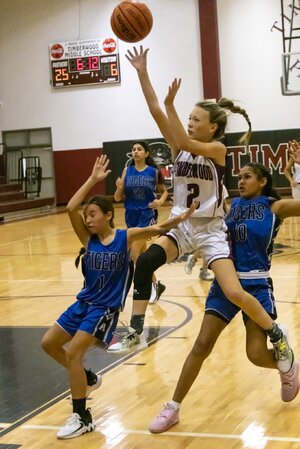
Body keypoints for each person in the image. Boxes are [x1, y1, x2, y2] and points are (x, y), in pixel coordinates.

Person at [107, 46, 292, 365]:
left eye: (196, 119)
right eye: (188, 118)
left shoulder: (217, 149)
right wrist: (141, 73)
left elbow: (182, 141)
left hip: (211, 231)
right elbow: (154, 110)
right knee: (147, 261)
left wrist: (170, 106)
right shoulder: (180, 149)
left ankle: (275, 333)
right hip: (182, 228)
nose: (190, 122)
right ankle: (136, 330)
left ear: (214, 129)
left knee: (234, 292)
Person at [41, 154, 198, 440]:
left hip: (105, 310)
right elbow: (72, 207)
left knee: (74, 353)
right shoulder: (86, 239)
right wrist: (93, 179)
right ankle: (88, 379)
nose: (87, 219)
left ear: (108, 215)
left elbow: (159, 229)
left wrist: (183, 217)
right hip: (83, 303)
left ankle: (83, 417)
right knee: (49, 343)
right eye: (87, 216)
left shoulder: (126, 237)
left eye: (93, 214)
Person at [149, 162, 300, 433]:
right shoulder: (228, 207)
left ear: (263, 181)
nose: (240, 181)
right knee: (202, 345)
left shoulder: (276, 207)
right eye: (239, 177)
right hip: (225, 283)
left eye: (248, 177)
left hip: (256, 285)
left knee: (254, 355)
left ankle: (288, 364)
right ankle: (172, 408)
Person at [114, 140, 168, 303]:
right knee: (141, 256)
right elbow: (117, 198)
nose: (136, 151)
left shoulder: (153, 171)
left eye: (139, 149)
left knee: (135, 253)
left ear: (146, 154)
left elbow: (164, 191)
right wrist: (119, 187)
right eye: (133, 149)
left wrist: (160, 201)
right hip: (131, 215)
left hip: (147, 215)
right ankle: (156, 284)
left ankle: (144, 288)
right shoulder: (127, 171)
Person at [185, 186, 230, 281]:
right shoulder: (217, 185)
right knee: (211, 246)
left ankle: (195, 261)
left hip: (209, 221)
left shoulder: (217, 185)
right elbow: (224, 205)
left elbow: (224, 204)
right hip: (211, 221)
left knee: (208, 246)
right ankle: (202, 269)